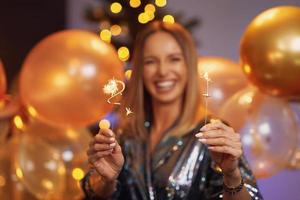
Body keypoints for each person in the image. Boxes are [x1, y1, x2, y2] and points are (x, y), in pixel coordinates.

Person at [82, 21, 263, 200]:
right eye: (151, 61)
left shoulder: (212, 132)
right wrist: (105, 181)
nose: (162, 71)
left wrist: (232, 175)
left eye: (174, 59)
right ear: (140, 70)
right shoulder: (125, 133)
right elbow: (94, 194)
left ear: (188, 66)